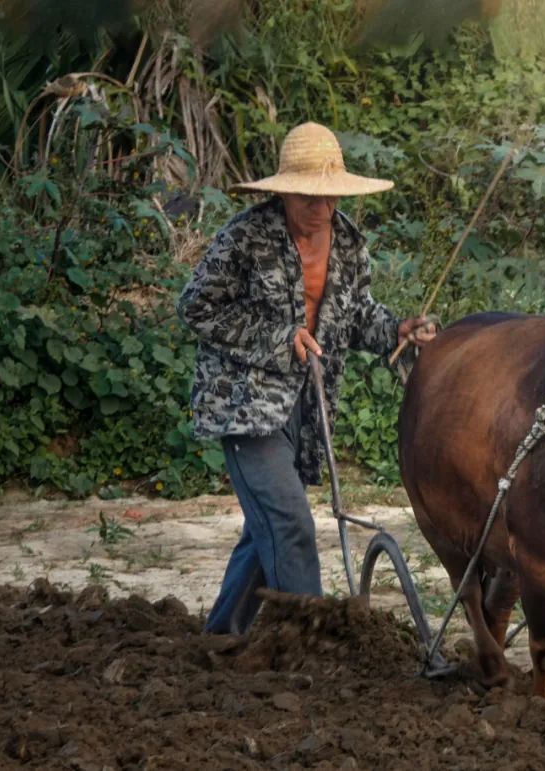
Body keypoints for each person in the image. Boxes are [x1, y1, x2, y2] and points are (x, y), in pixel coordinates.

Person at [177, 121, 436, 634]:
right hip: (247, 405)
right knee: (291, 522)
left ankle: (220, 638)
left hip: (308, 409)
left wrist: (397, 329)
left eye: (329, 197)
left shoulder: (349, 244)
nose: (321, 209)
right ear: (285, 191)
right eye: (308, 197)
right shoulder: (246, 237)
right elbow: (196, 308)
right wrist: (279, 337)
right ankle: (316, 640)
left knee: (266, 530)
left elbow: (355, 315)